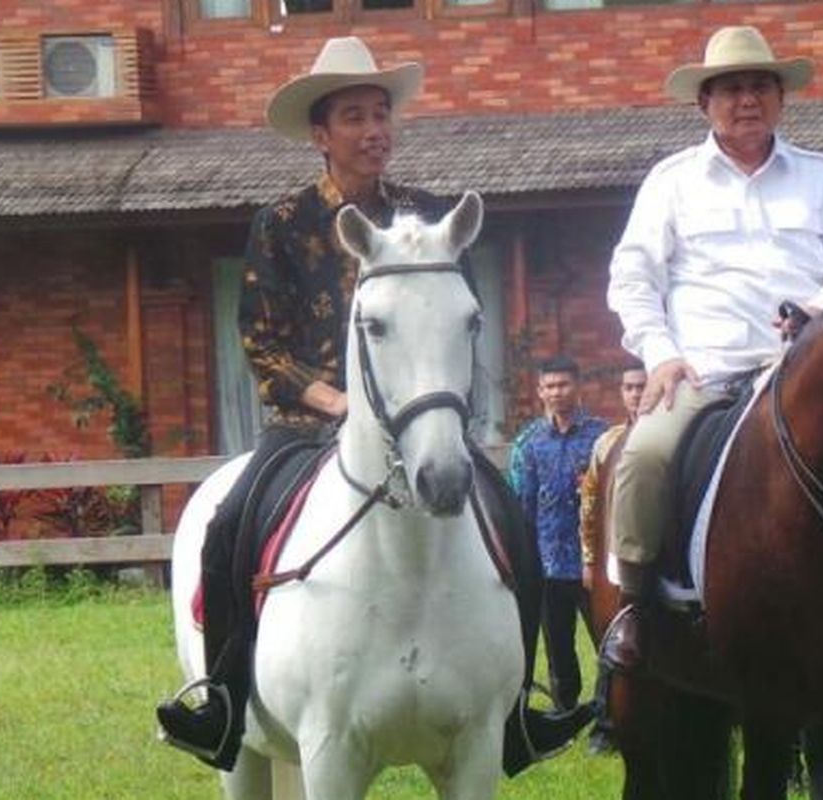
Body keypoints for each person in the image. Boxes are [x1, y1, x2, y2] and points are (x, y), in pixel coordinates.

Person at [156, 36, 591, 773]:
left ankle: (516, 707)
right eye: (354, 117)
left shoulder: (427, 217)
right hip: (307, 427)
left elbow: (458, 315)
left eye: (381, 115)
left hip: (419, 426)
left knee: (509, 517)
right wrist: (339, 402)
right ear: (321, 135)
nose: (373, 130)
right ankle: (223, 697)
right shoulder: (283, 222)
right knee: (227, 522)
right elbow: (262, 344)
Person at [603, 24, 823, 668]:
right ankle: (637, 605)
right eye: (730, 89)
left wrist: (816, 312)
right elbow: (632, 276)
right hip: (700, 372)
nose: (746, 100)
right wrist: (659, 352)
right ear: (705, 104)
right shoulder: (670, 181)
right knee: (643, 457)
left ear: (782, 99)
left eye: (760, 87)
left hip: (804, 371)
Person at [515, 356, 608, 712]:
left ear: (578, 387)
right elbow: (525, 505)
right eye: (549, 386)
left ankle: (610, 712)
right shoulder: (530, 442)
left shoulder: (602, 436)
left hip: (592, 563)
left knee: (606, 641)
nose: (556, 392)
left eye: (563, 384)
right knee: (558, 646)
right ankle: (565, 711)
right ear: (540, 392)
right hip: (548, 563)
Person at [579, 360, 646, 592]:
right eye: (629, 388)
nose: (636, 394)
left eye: (642, 387)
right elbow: (589, 503)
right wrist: (589, 561)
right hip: (616, 547)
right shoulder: (607, 442)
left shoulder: (675, 436)